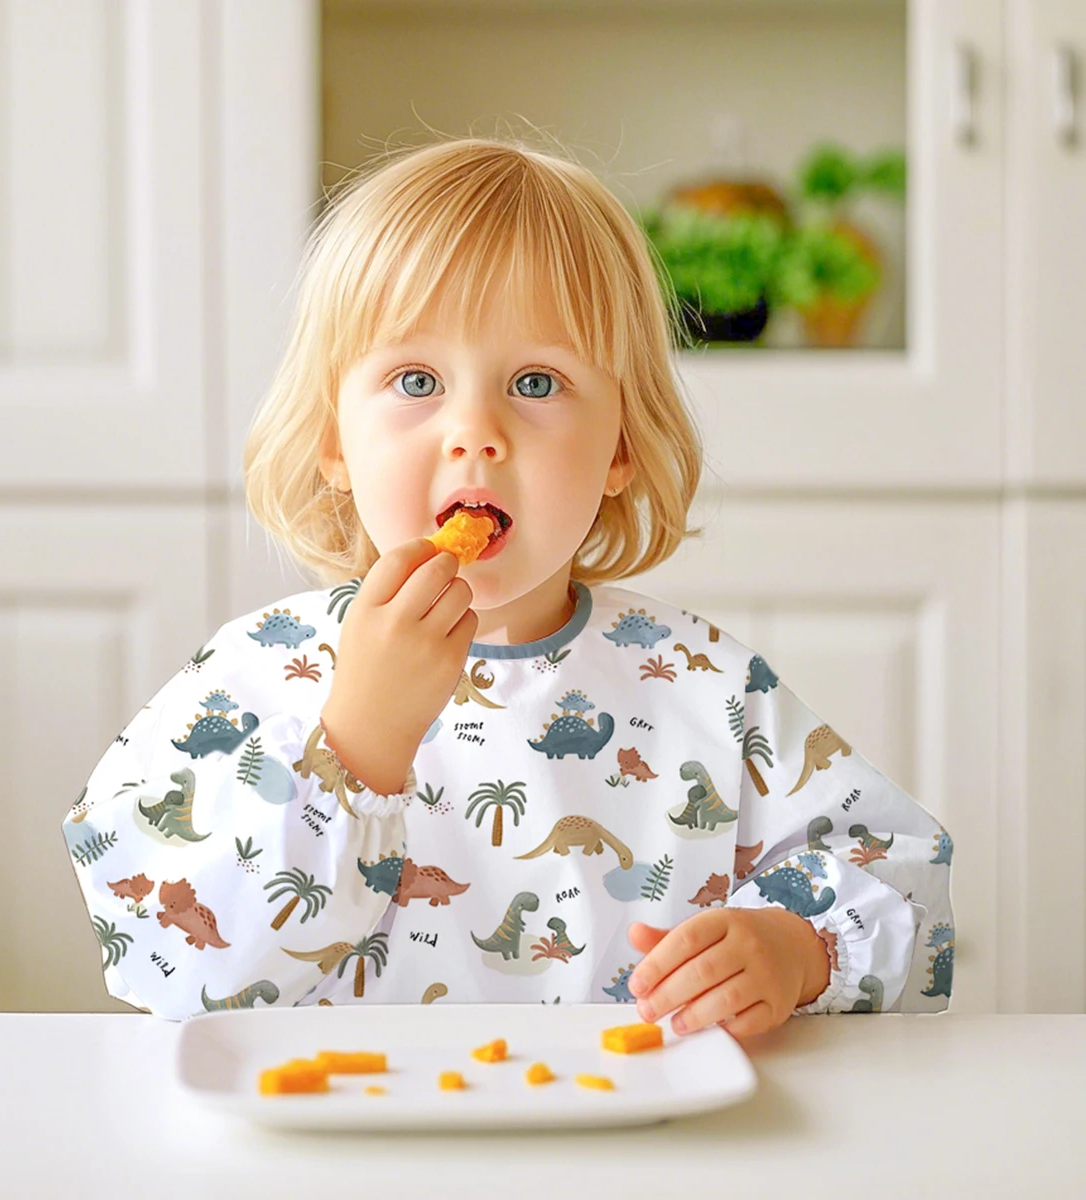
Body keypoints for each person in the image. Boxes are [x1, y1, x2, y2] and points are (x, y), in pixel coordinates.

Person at [63, 136, 954, 1029]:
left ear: (621, 447)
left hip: (631, 1150)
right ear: (334, 441)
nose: (475, 432)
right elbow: (171, 965)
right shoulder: (251, 675)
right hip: (341, 1151)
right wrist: (358, 744)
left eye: (536, 381)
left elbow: (904, 879)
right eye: (417, 379)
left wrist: (796, 951)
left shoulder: (702, 687)